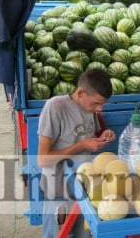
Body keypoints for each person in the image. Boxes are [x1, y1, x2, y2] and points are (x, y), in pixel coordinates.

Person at [37, 69, 116, 238]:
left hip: (84, 187)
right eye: (96, 103)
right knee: (60, 234)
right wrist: (81, 145)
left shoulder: (89, 109)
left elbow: (88, 138)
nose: (100, 109)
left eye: (102, 104)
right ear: (81, 92)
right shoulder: (56, 107)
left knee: (83, 234)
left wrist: (101, 138)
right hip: (59, 189)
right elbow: (43, 159)